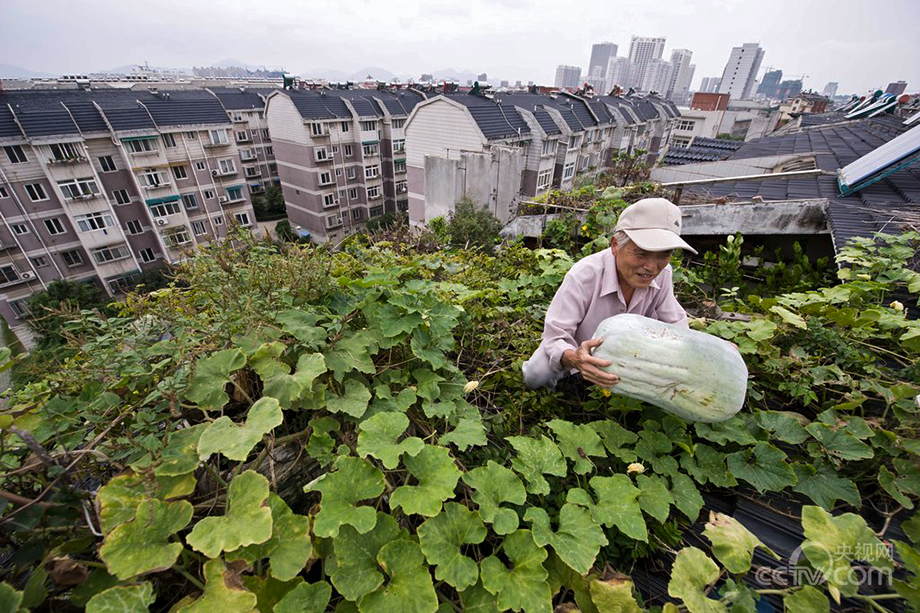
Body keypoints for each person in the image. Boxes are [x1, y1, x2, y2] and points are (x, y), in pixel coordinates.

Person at [522, 197, 698, 390]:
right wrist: (575, 358)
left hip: (633, 356)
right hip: (578, 350)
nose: (651, 267)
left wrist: (709, 350)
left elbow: (676, 324)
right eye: (641, 253)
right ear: (615, 245)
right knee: (536, 374)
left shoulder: (664, 273)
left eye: (663, 255)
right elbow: (555, 336)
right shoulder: (585, 274)